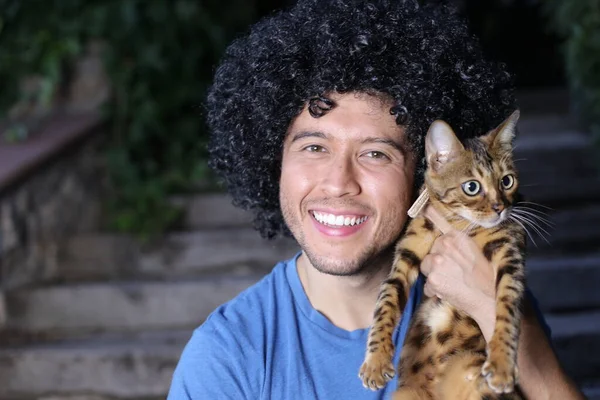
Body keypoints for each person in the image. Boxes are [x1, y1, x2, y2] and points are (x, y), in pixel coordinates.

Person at [167, 0, 585, 398]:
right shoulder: (228, 355)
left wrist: (491, 310)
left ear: (426, 173)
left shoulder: (484, 286)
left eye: (375, 154)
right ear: (273, 160)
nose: (338, 183)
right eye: (314, 147)